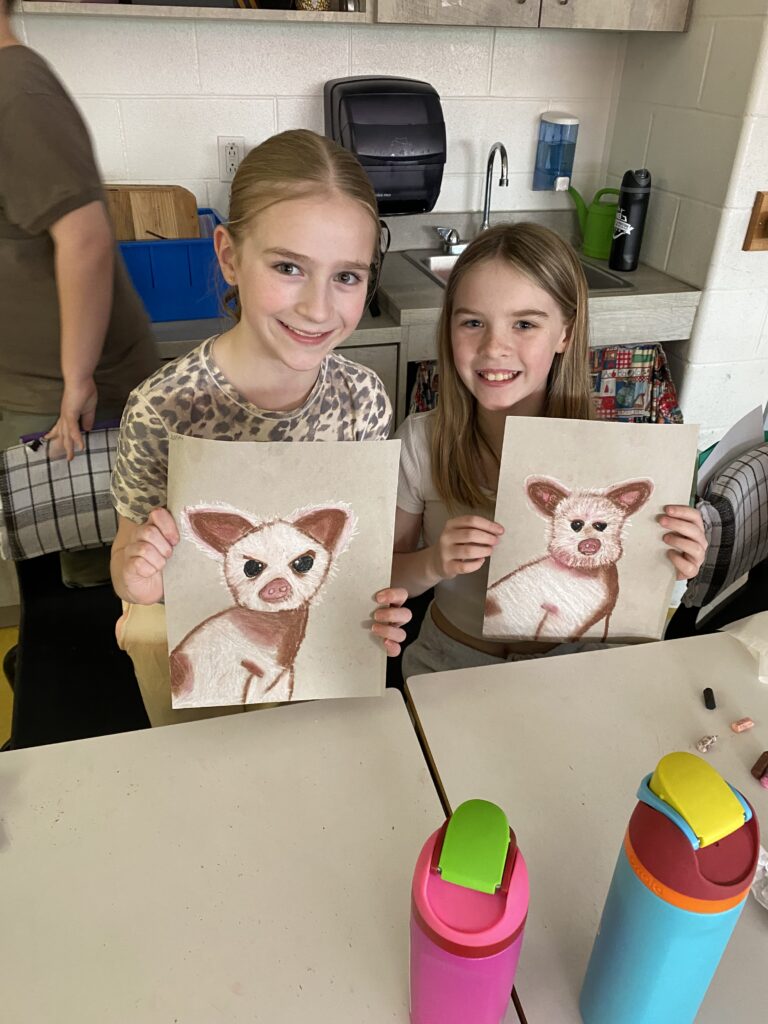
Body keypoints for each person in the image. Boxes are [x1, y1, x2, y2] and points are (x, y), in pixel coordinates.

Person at [109, 129, 409, 724]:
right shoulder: (164, 407)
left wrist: (381, 601)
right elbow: (128, 555)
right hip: (204, 671)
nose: (318, 308)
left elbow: (358, 557)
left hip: (318, 659)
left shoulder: (364, 400)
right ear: (229, 257)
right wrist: (136, 579)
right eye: (289, 267)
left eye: (347, 276)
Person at [391, 222, 708, 677]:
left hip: (573, 667)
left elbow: (641, 598)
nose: (494, 347)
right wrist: (432, 562)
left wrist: (674, 560)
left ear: (565, 334)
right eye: (473, 322)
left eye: (524, 324)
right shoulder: (422, 441)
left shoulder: (616, 458)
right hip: (449, 663)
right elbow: (381, 577)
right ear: (450, 327)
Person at [0, 0, 159, 603]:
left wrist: (76, 379)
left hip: (67, 406)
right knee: (51, 585)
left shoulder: (16, 88)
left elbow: (85, 239)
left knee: (89, 589)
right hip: (38, 395)